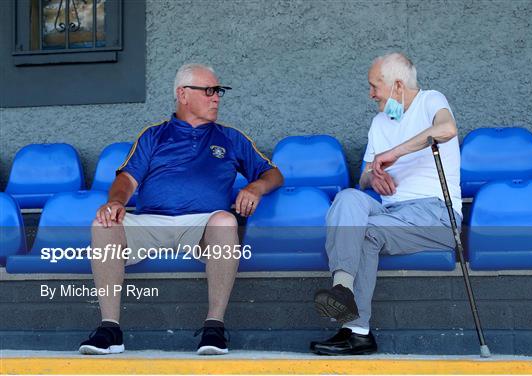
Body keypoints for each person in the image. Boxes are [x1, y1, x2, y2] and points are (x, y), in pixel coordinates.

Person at [79, 63, 283, 356]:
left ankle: (214, 328)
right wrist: (116, 203)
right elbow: (126, 178)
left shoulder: (231, 138)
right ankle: (110, 329)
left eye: (219, 92)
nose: (217, 98)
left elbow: (273, 173)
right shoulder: (154, 135)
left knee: (226, 221)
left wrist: (255, 187)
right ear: (183, 94)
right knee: (104, 224)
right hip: (152, 221)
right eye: (210, 91)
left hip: (202, 226)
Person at [310, 52, 462, 355]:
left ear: (397, 86)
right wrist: (373, 177)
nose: (370, 95)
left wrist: (396, 153)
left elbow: (447, 130)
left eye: (373, 86)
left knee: (365, 232)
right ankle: (344, 291)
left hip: (435, 215)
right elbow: (365, 176)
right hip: (392, 213)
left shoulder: (430, 100)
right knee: (348, 198)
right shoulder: (380, 122)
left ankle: (354, 330)